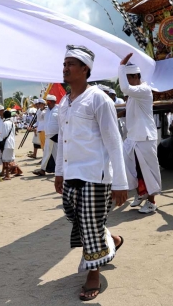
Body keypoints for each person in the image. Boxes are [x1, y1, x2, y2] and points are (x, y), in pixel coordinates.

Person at [55, 45, 127, 301]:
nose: (65, 68)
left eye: (71, 64)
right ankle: (112, 239)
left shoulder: (98, 98)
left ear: (85, 69)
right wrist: (59, 172)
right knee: (76, 217)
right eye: (64, 64)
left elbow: (114, 141)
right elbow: (63, 138)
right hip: (72, 173)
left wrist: (120, 182)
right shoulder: (65, 102)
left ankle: (92, 272)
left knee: (89, 222)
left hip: (96, 175)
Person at [118, 59, 162, 214]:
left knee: (149, 171)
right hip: (132, 137)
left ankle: (151, 202)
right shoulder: (132, 95)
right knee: (132, 170)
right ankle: (141, 193)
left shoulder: (143, 90)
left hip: (145, 137)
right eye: (127, 77)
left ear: (136, 77)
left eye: (129, 77)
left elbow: (124, 88)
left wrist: (121, 66)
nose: (128, 81)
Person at [33, 94, 59, 176]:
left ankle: (60, 170)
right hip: (48, 135)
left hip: (57, 135)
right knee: (47, 152)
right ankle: (43, 169)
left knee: (57, 154)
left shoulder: (59, 109)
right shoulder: (46, 111)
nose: (47, 103)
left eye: (49, 102)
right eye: (47, 102)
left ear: (53, 102)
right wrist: (40, 109)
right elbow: (40, 119)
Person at [0, 110, 16, 180]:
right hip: (12, 142)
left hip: (6, 142)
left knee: (5, 160)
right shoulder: (12, 123)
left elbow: (4, 135)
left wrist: (0, 135)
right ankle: (15, 171)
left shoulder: (5, 123)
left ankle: (7, 175)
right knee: (10, 159)